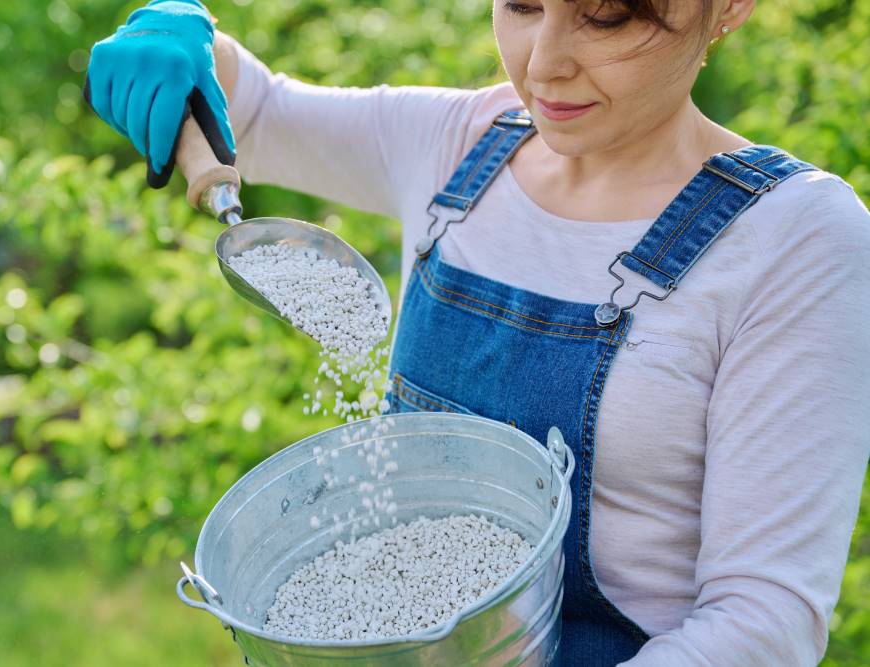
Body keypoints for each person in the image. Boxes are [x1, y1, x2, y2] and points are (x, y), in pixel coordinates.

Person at [85, 1, 870, 664]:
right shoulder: (460, 143)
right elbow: (249, 110)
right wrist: (180, 32)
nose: (543, 65)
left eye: (602, 17)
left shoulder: (795, 236)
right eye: (522, 4)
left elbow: (764, 623)